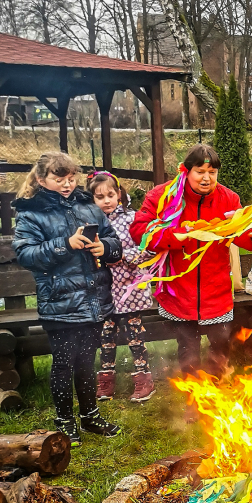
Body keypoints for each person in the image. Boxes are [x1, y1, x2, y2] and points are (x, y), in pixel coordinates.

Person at [130, 144, 252, 377]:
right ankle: (193, 400)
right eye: (200, 172)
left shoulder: (228, 198)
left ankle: (215, 393)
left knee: (221, 344)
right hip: (180, 292)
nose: (207, 178)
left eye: (212, 173)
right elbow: (139, 231)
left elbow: (240, 229)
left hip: (216, 290)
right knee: (188, 349)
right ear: (186, 171)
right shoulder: (163, 197)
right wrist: (178, 237)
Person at [13, 152, 123, 446]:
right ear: (41, 179)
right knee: (64, 363)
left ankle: (90, 416)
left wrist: (105, 248)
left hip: (93, 300)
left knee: (87, 361)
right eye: (58, 179)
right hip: (59, 303)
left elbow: (114, 239)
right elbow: (26, 254)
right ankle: (65, 420)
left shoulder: (88, 205)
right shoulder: (31, 212)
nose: (66, 184)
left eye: (71, 178)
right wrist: (65, 244)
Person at [89, 171, 155, 403]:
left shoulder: (132, 219)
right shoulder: (89, 224)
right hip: (104, 290)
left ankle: (143, 377)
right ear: (92, 200)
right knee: (106, 334)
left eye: (110, 195)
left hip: (130, 286)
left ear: (119, 194)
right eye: (99, 197)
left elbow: (149, 248)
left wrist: (123, 256)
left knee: (133, 334)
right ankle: (106, 378)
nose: (106, 201)